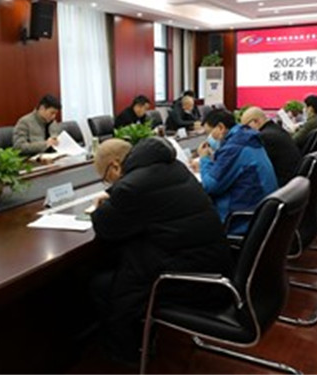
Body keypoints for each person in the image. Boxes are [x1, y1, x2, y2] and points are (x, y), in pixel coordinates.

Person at [90, 137, 232, 364]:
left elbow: (105, 226)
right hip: (213, 265)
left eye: (106, 178)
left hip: (192, 282)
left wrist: (108, 202)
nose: (109, 184)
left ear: (115, 166)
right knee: (128, 258)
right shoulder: (174, 167)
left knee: (106, 283)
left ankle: (126, 355)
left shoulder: (132, 187)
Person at [198, 109, 278, 235]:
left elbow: (210, 186)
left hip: (241, 220)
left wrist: (204, 159)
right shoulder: (246, 138)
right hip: (260, 211)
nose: (209, 138)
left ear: (221, 127)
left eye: (210, 133)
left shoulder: (235, 147)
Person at [241, 106, 301, 187]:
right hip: (293, 182)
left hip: (282, 184)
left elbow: (259, 167)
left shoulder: (265, 137)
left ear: (256, 121)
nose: (245, 131)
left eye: (246, 127)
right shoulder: (276, 129)